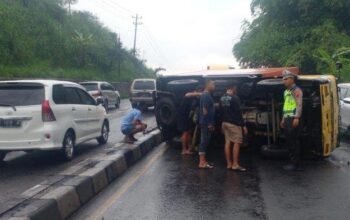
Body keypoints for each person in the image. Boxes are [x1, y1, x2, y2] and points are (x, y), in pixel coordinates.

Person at [220, 83, 248, 171]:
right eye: (235, 88)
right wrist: (243, 125)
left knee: (227, 142)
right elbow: (239, 112)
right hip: (234, 124)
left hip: (224, 123)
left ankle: (229, 164)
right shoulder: (235, 98)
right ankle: (235, 164)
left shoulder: (221, 98)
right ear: (233, 88)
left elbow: (220, 111)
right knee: (237, 142)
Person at [280, 70, 303, 171]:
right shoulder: (286, 92)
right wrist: (283, 119)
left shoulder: (296, 90)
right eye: (283, 79)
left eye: (285, 79)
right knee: (289, 141)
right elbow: (286, 106)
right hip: (287, 118)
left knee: (293, 141)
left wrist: (297, 117)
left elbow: (299, 105)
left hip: (293, 118)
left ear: (291, 79)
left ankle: (295, 164)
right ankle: (292, 161)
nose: (283, 81)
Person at [177, 87, 202, 155]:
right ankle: (184, 150)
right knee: (185, 133)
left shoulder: (195, 99)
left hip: (187, 116)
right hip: (183, 116)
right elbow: (187, 94)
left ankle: (188, 149)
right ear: (195, 91)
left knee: (188, 132)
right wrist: (199, 93)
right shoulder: (189, 95)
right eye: (198, 91)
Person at [198, 80, 215, 169]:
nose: (214, 86)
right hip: (206, 123)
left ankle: (203, 161)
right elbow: (205, 110)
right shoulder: (206, 95)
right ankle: (201, 163)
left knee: (205, 141)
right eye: (213, 84)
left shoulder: (206, 95)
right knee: (204, 142)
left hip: (205, 122)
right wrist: (209, 124)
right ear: (208, 85)